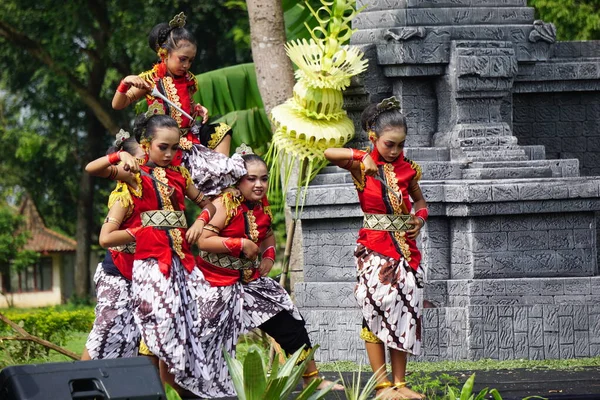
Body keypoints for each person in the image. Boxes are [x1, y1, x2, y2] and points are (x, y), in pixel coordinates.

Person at [193, 149, 344, 398]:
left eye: (264, 178)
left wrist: (268, 256)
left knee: (291, 323)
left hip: (250, 283)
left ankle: (312, 380)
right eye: (251, 179)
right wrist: (240, 245)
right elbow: (203, 240)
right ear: (237, 180)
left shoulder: (261, 205)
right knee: (205, 340)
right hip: (215, 285)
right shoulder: (223, 203)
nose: (259, 184)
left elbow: (268, 235)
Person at [86, 111, 216, 396]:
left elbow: (208, 204)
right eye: (162, 147)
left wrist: (200, 221)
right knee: (110, 340)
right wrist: (117, 158)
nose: (170, 154)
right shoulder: (135, 177)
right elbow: (91, 170)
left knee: (171, 339)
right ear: (145, 145)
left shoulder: (180, 175)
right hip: (129, 271)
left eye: (174, 147)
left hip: (167, 268)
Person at [324, 97, 427, 400]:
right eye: (389, 144)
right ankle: (382, 386)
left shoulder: (410, 169)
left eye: (400, 144)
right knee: (375, 308)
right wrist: (361, 155)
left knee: (404, 309)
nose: (394, 151)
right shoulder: (361, 165)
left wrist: (420, 218)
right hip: (373, 249)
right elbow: (328, 153)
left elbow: (420, 202)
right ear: (373, 138)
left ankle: (399, 384)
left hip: (406, 249)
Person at [112, 12, 245, 196]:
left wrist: (197, 108)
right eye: (182, 59)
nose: (187, 65)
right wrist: (125, 83)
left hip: (190, 134)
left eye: (190, 60)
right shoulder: (150, 79)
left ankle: (218, 179)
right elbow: (118, 104)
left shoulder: (189, 79)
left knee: (222, 131)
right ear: (164, 54)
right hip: (167, 139)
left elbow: (186, 104)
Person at [81, 130, 145, 361]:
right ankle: (78, 387)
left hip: (145, 273)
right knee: (106, 332)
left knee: (136, 340)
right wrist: (117, 156)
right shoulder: (126, 188)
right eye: (142, 157)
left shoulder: (159, 185)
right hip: (117, 272)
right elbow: (106, 238)